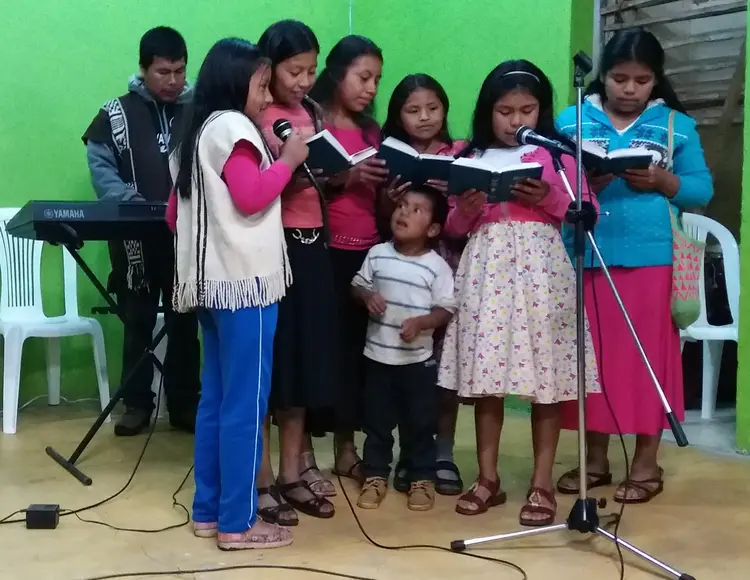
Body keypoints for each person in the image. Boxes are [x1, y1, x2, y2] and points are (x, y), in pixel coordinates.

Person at [438, 60, 600, 525]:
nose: (515, 121)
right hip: (486, 270)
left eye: (526, 110)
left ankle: (541, 483)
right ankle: (487, 478)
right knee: (487, 378)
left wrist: (547, 198)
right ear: (488, 111)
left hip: (542, 269)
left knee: (547, 379)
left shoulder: (557, 156)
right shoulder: (469, 156)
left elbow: (586, 211)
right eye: (504, 111)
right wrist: (467, 209)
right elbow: (452, 226)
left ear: (541, 110)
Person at [555, 29, 713, 504]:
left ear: (656, 80)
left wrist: (665, 181)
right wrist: (587, 182)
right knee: (592, 361)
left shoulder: (676, 125)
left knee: (649, 362)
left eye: (641, 80)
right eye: (619, 78)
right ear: (602, 75)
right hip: (587, 252)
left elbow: (701, 189)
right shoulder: (572, 119)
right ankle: (595, 460)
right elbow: (552, 181)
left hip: (652, 257)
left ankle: (646, 462)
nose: (629, 89)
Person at [166, 37, 309, 550]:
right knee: (246, 405)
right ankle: (238, 522)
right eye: (262, 86)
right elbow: (250, 198)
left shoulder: (194, 133)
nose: (268, 98)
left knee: (216, 401)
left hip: (209, 287)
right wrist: (289, 160)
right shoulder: (234, 128)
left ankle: (209, 511)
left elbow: (173, 216)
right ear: (234, 83)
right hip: (246, 285)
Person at [82, 26, 200, 436]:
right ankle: (136, 405)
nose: (173, 80)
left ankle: (185, 404)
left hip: (186, 238)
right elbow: (101, 166)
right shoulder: (115, 112)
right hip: (135, 239)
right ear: (143, 69)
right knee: (137, 322)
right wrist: (132, 203)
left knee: (185, 324)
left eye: (180, 71)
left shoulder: (200, 111)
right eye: (163, 72)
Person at [256, 19, 336, 525]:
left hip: (313, 244)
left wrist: (331, 172)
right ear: (268, 68)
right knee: (273, 366)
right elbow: (251, 187)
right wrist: (288, 168)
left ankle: (292, 471)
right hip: (272, 247)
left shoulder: (313, 111)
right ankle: (261, 478)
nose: (304, 81)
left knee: (305, 362)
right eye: (294, 71)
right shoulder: (255, 114)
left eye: (311, 70)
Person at [307, 35, 389, 482]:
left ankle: (346, 448)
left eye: (377, 79)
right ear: (337, 74)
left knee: (356, 357)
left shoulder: (372, 131)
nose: (371, 88)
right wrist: (345, 177)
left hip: (367, 251)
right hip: (322, 250)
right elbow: (296, 186)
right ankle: (304, 454)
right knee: (318, 352)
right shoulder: (311, 120)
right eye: (363, 77)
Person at [380, 73, 466, 496]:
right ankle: (409, 454)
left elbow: (472, 214)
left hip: (449, 263)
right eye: (413, 110)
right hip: (402, 270)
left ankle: (442, 452)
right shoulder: (387, 156)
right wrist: (388, 200)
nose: (425, 117)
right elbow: (383, 221)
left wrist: (454, 194)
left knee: (445, 366)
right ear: (398, 116)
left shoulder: (462, 154)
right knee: (406, 364)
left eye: (433, 108)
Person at [353, 187, 456, 512]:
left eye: (416, 210)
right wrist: (367, 296)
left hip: (417, 363)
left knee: (420, 424)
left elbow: (446, 308)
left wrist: (423, 322)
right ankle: (375, 475)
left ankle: (421, 478)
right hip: (377, 358)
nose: (404, 212)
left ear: (433, 229)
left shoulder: (436, 266)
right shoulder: (378, 253)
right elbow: (358, 284)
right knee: (376, 424)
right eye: (401, 205)